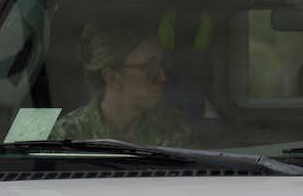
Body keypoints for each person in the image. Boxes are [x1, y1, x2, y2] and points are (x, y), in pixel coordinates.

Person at [50, 16, 197, 146]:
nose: (163, 77)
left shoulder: (177, 130)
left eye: (162, 64)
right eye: (150, 66)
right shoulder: (67, 137)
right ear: (112, 77)